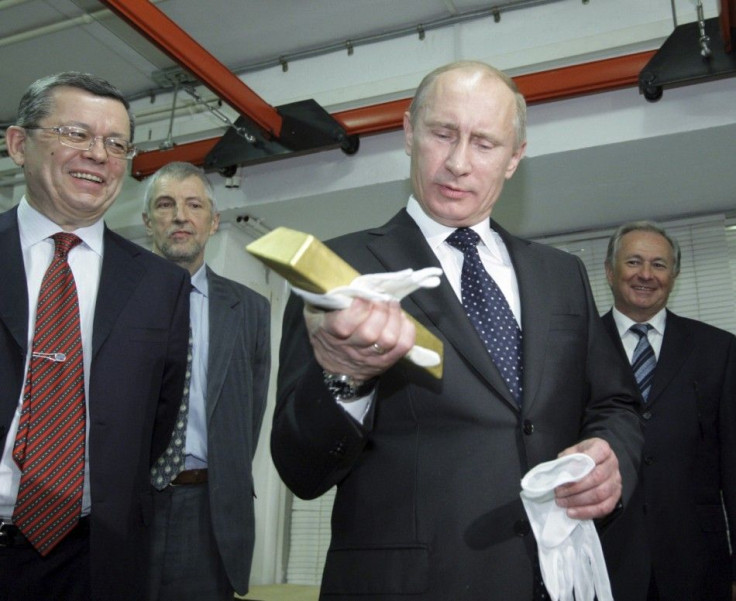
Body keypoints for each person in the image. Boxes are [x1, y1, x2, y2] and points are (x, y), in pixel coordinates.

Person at [271, 60, 644, 600]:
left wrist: (614, 457)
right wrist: (344, 377)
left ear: (515, 158)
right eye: (442, 134)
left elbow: (616, 403)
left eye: (485, 143)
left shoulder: (561, 275)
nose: (458, 162)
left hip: (555, 579)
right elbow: (300, 469)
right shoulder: (339, 269)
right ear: (408, 132)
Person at [0, 72, 190, 600]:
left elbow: (157, 422)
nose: (99, 155)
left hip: (98, 560)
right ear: (19, 144)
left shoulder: (160, 285)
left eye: (115, 143)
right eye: (76, 134)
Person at [141, 161, 271, 600]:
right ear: (147, 223)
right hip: (127, 507)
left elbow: (250, 413)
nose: (180, 216)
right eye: (166, 204)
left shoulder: (251, 309)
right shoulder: (116, 300)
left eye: (194, 205)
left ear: (212, 222)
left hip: (211, 512)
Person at [600, 221, 736, 601]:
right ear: (610, 271)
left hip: (698, 561)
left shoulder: (718, 350)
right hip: (607, 561)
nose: (646, 274)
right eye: (634, 262)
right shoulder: (578, 351)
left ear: (673, 275)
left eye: (659, 265)